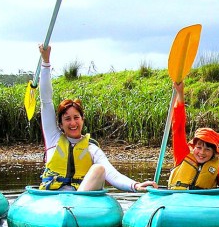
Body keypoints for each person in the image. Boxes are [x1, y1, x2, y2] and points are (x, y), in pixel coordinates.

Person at [37, 44, 157, 192]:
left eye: (76, 117)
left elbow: (113, 175)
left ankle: (76, 205)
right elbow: (46, 101)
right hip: (52, 199)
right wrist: (46, 62)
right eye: (67, 119)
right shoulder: (53, 138)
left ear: (82, 119)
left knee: (99, 169)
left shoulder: (91, 148)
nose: (73, 122)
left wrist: (136, 185)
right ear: (60, 124)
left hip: (80, 199)